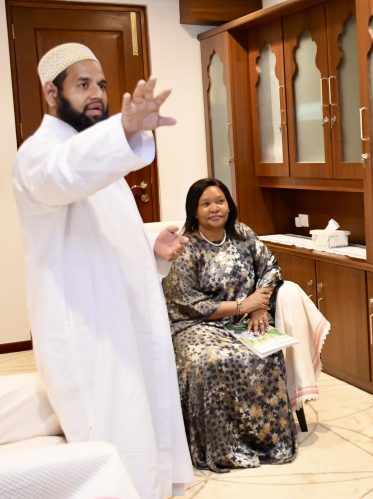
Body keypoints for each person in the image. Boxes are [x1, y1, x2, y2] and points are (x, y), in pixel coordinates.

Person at [11, 43, 193, 497]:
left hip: (123, 321)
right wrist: (123, 129)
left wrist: (150, 243)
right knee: (115, 439)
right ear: (51, 92)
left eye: (102, 85)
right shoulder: (40, 156)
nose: (97, 94)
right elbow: (64, 176)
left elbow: (101, 232)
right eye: (83, 84)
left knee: (144, 426)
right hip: (86, 331)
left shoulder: (94, 157)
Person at [162, 178, 330, 472]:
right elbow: (188, 302)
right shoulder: (187, 247)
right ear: (194, 210)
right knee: (210, 362)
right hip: (195, 324)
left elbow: (270, 268)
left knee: (266, 355)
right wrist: (242, 306)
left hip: (242, 322)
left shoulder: (243, 234)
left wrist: (259, 305)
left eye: (220, 201)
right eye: (206, 204)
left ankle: (265, 442)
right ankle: (222, 447)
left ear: (229, 204)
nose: (215, 208)